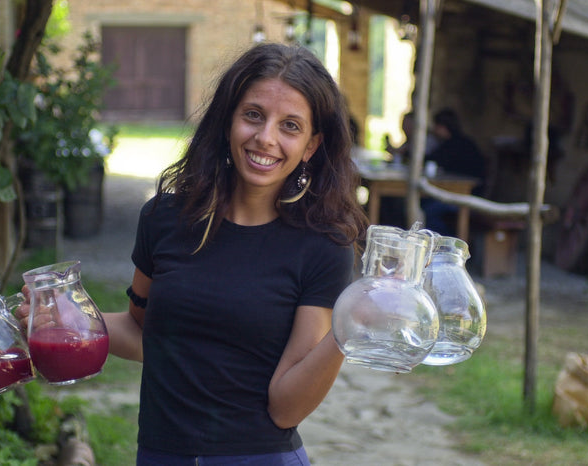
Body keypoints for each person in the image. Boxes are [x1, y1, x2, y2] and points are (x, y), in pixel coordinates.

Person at [19, 43, 368, 465]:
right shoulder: (165, 219)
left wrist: (347, 331)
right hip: (160, 454)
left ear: (311, 146)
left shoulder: (323, 246)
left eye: (290, 126)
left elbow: (286, 407)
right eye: (253, 115)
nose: (265, 138)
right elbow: (145, 332)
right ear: (228, 121)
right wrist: (68, 323)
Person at [421, 108, 486, 236]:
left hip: (466, 195)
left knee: (428, 210)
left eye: (436, 126)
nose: (434, 130)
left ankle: (444, 243)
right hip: (456, 192)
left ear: (442, 127)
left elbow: (432, 160)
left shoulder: (455, 145)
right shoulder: (454, 143)